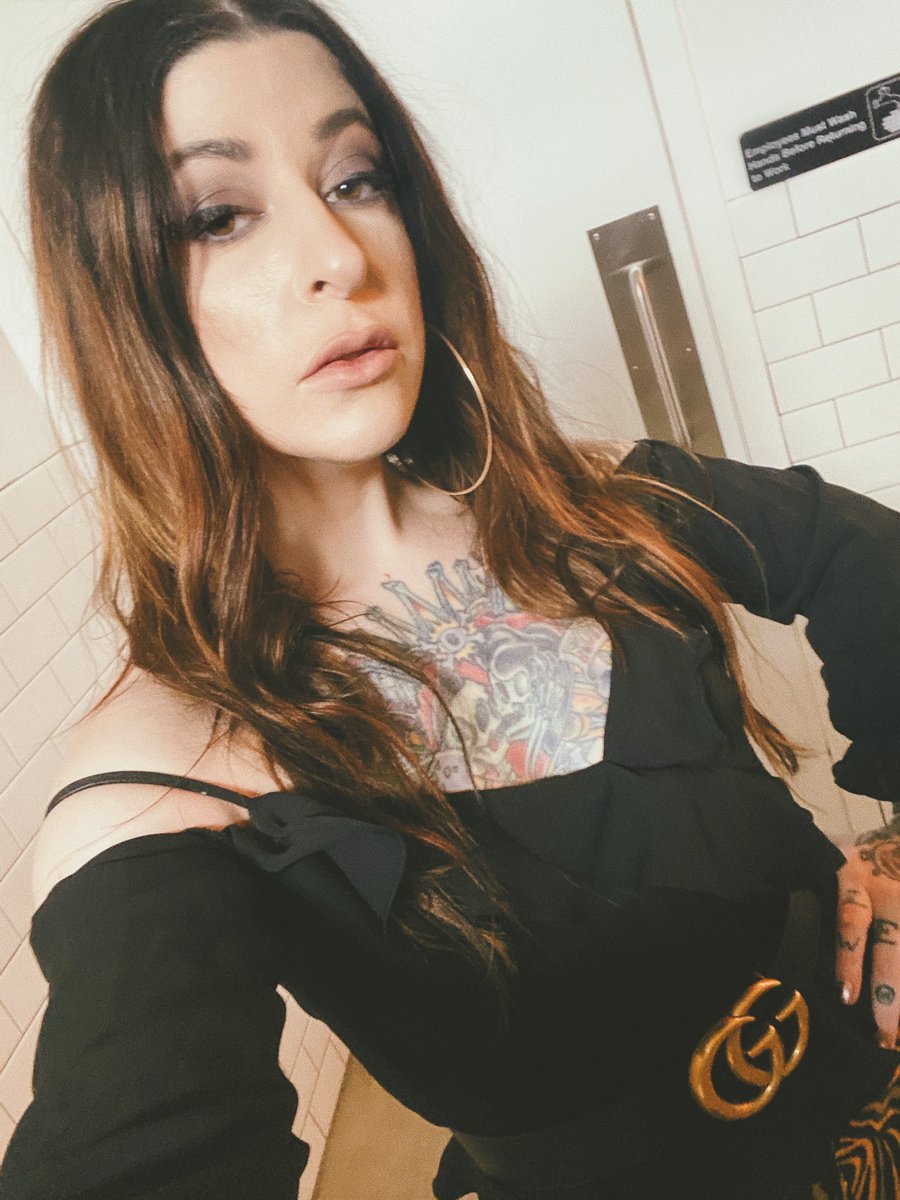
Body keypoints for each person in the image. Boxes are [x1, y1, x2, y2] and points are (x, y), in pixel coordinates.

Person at [1, 1, 898, 1197]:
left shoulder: (587, 504)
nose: (340, 254)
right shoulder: (164, 773)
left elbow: (860, 555)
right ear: (120, 299)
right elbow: (138, 1137)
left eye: (356, 179)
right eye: (218, 215)